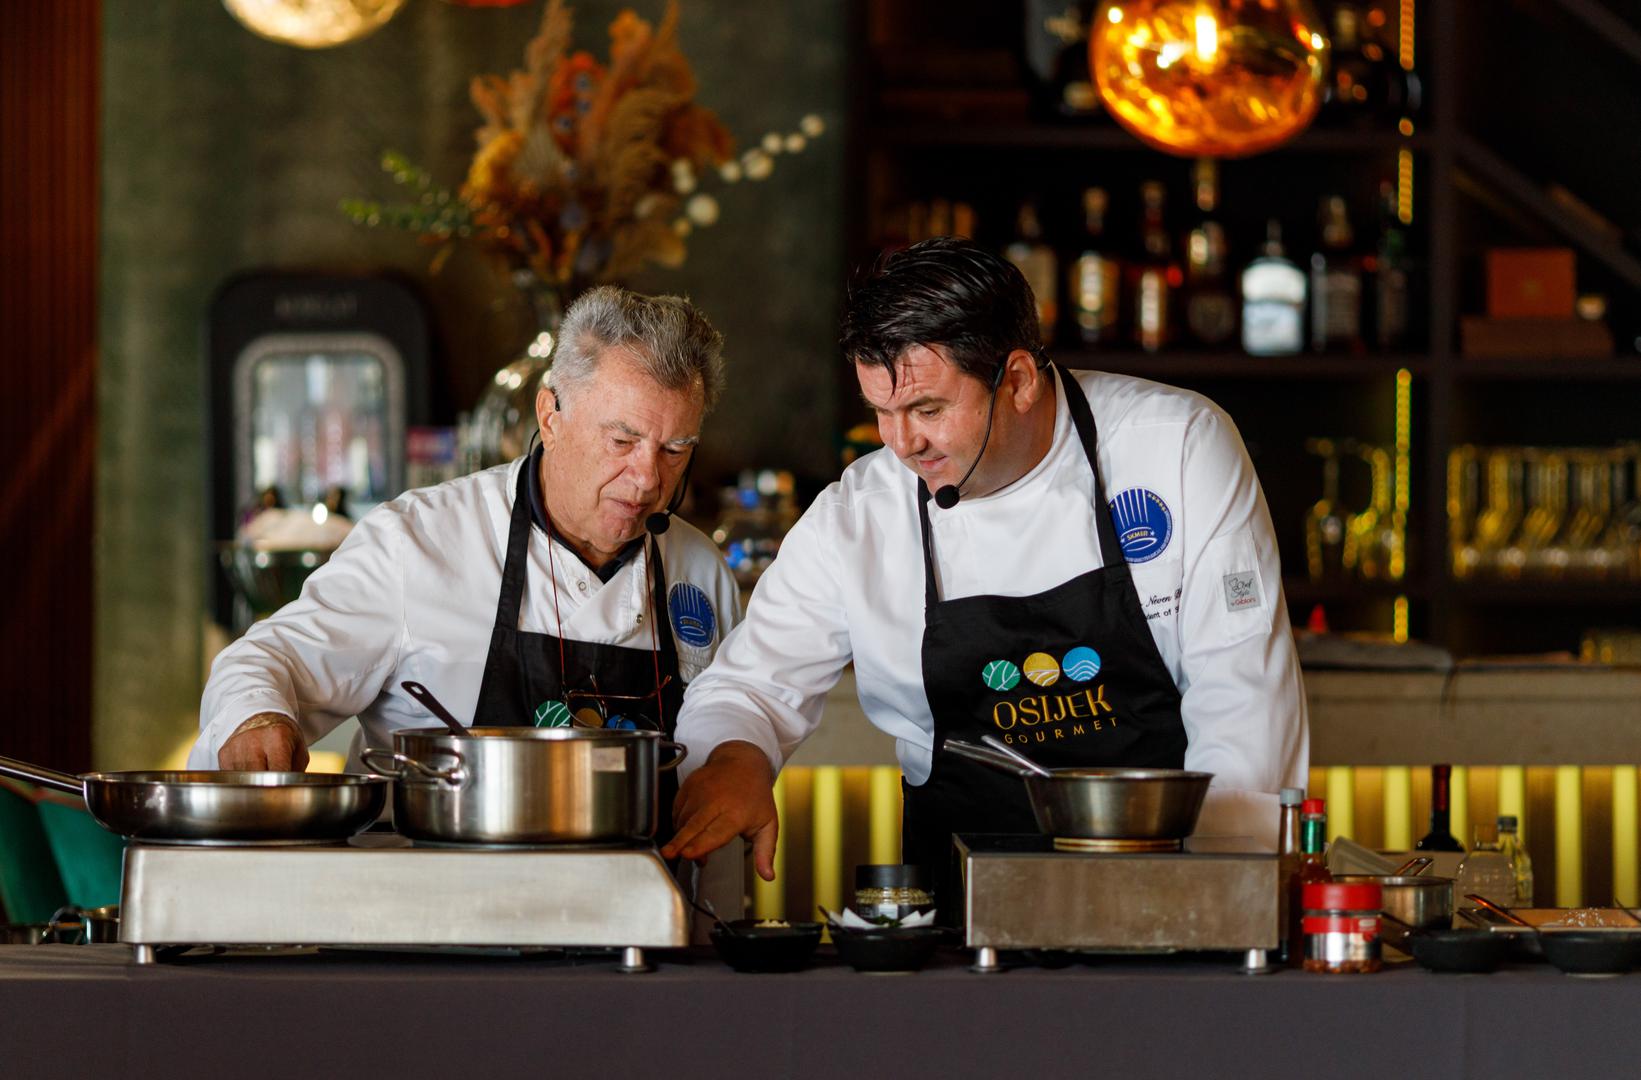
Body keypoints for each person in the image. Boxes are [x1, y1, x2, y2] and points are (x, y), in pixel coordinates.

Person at [663, 237, 1308, 911]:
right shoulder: (860, 515)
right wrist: (736, 760)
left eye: (927, 410)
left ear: (1020, 380)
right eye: (880, 414)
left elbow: (1242, 701)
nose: (900, 444)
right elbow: (751, 686)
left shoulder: (1174, 446)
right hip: (956, 907)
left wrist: (1221, 905)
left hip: (1166, 884)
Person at [192, 287, 743, 900]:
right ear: (550, 415)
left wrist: (713, 941)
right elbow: (269, 657)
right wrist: (259, 716)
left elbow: (714, 792)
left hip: (640, 941)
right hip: (430, 938)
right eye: (622, 441)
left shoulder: (699, 571)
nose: (647, 480)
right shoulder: (420, 541)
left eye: (674, 450)